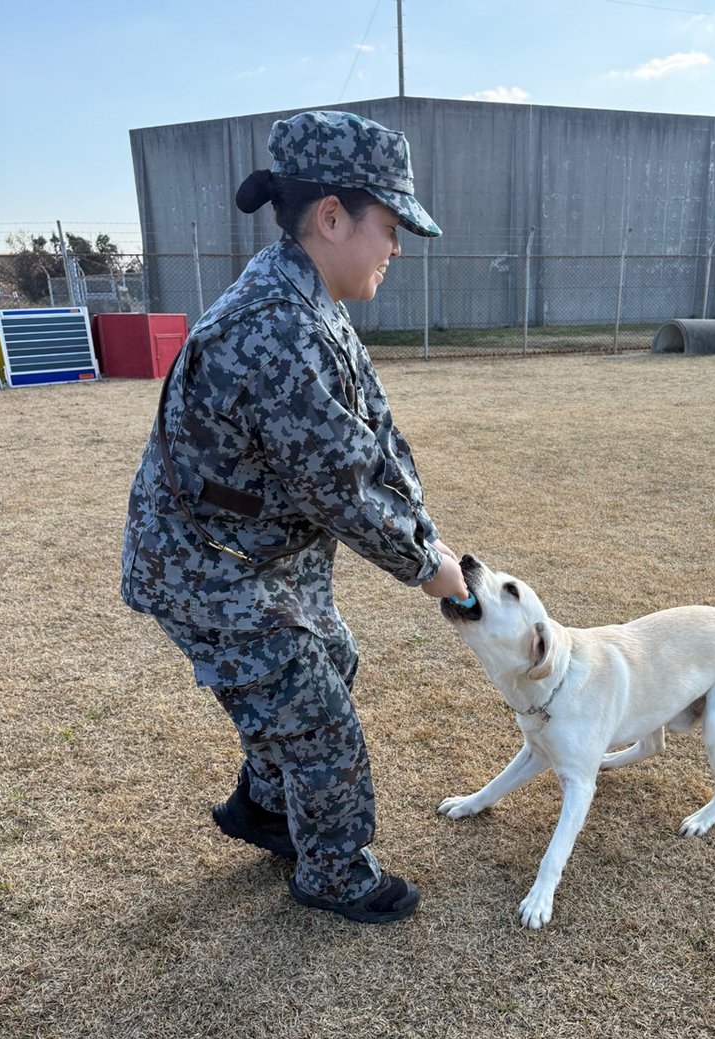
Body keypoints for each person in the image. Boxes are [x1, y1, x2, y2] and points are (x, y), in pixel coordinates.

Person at [122, 110, 468, 924]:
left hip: (259, 553)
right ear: (331, 217)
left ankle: (266, 807)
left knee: (329, 659)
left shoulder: (310, 300)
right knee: (316, 718)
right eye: (390, 227)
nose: (396, 248)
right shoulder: (274, 327)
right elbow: (340, 490)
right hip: (205, 565)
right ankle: (334, 874)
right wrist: (429, 569)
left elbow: (374, 438)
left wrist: (427, 533)